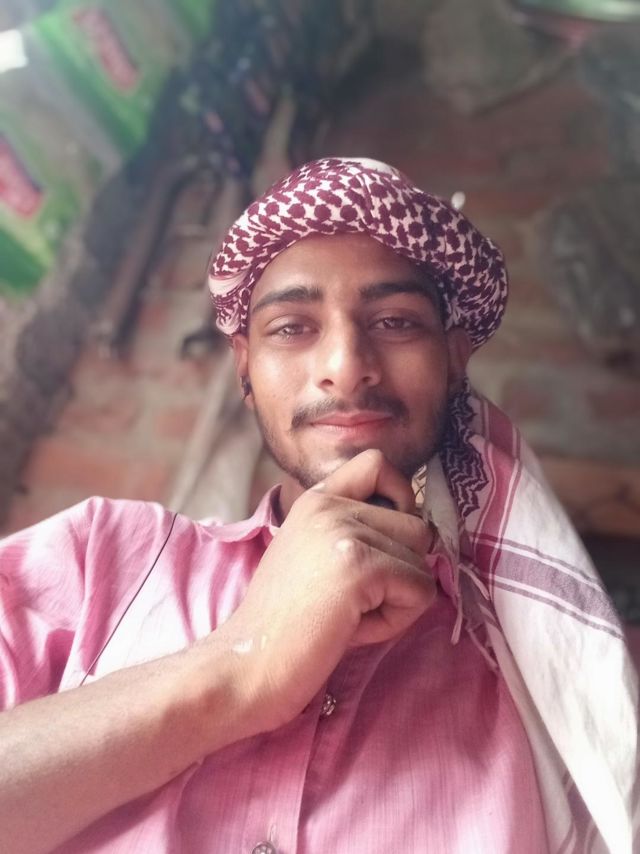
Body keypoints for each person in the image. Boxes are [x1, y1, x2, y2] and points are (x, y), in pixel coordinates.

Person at [0, 158, 636, 854]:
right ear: (244, 367)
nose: (345, 364)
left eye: (395, 321)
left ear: (455, 360)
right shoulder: (97, 560)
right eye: (291, 328)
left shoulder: (564, 671)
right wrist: (233, 669)